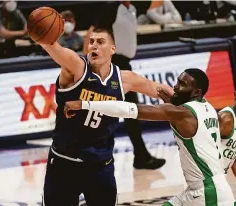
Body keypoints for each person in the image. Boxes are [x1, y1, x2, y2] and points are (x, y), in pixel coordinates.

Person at [39, 26, 173, 206]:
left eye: (100, 42)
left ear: (112, 49)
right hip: (65, 163)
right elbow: (52, 46)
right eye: (91, 41)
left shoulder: (123, 78)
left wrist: (186, 101)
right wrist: (41, 34)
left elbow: (159, 90)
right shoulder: (76, 67)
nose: (93, 46)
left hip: (101, 164)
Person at [64, 68, 236, 205]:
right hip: (208, 187)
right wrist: (173, 106)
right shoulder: (207, 107)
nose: (175, 87)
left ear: (196, 92)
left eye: (183, 84)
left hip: (207, 193)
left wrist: (86, 104)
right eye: (177, 81)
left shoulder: (181, 113)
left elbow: (130, 110)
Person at [83, 0, 165, 170]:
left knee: (130, 113)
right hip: (112, 65)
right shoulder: (111, 7)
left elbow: (158, 2)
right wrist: (88, 63)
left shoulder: (134, 7)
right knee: (105, 113)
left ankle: (141, 156)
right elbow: (92, 32)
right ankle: (87, 157)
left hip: (124, 65)